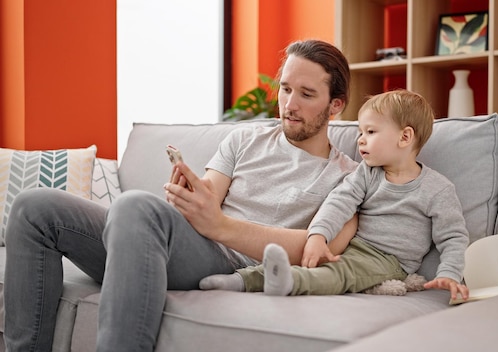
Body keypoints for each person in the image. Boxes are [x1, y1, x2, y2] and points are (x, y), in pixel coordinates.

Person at [4, 39, 359, 352]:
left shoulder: (348, 178)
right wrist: (191, 197)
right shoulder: (244, 140)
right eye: (285, 89)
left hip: (234, 266)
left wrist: (220, 226)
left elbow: (319, 250)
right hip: (194, 245)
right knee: (33, 207)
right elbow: (208, 197)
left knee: (134, 206)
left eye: (306, 94)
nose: (289, 104)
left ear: (335, 105)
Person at [200, 89, 471, 301]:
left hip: (388, 259)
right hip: (353, 245)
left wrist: (449, 274)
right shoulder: (366, 173)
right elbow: (338, 203)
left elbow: (453, 236)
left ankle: (289, 283)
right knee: (315, 260)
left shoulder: (437, 189)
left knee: (340, 273)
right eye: (360, 132)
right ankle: (241, 280)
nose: (360, 140)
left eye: (371, 132)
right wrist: (318, 237)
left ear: (405, 137)